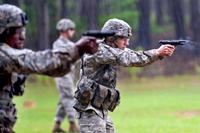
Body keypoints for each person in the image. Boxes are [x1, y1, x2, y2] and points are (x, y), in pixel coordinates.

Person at [0, 4, 98, 133]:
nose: (22, 37)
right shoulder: (3, 55)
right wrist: (77, 49)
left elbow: (55, 69)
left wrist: (77, 52)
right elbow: (40, 62)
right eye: (17, 32)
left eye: (23, 31)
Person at [74, 18, 176, 133]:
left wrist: (159, 54)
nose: (127, 43)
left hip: (100, 110)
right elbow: (128, 58)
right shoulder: (98, 50)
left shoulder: (112, 49)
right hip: (89, 111)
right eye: (123, 38)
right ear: (111, 38)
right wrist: (157, 52)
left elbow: (131, 54)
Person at [52, 19, 79, 133]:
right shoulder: (58, 44)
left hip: (69, 75)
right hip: (62, 75)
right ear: (65, 30)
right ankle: (73, 125)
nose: (73, 31)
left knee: (63, 100)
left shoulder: (70, 44)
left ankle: (56, 125)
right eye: (71, 29)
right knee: (69, 98)